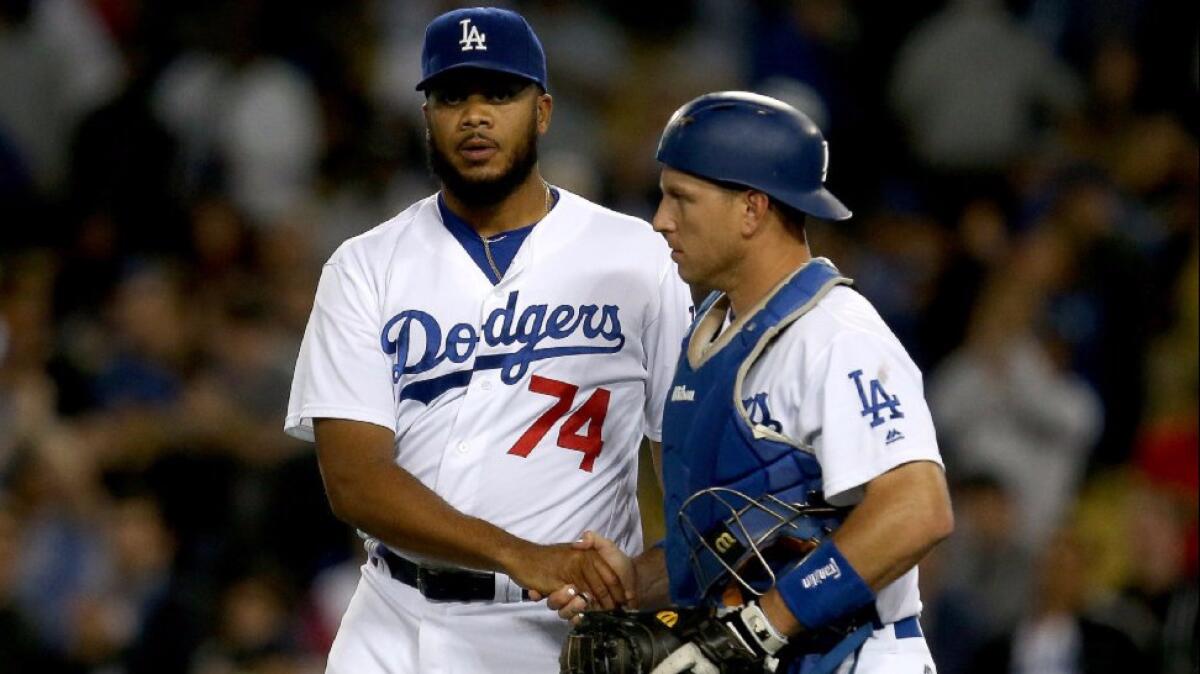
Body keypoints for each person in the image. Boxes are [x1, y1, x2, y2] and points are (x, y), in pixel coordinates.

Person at [284, 7, 691, 674]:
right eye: (452, 96)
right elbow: (354, 480)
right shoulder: (364, 266)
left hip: (562, 630)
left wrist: (650, 578)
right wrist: (521, 553)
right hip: (393, 620)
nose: (474, 115)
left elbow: (697, 465)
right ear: (427, 117)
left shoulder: (639, 260)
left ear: (544, 111)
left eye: (499, 94)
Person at [551, 92, 954, 674]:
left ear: (752, 210)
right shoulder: (709, 333)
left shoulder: (834, 334)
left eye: (681, 199)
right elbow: (743, 539)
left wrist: (763, 625)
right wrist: (635, 582)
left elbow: (918, 509)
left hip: (857, 657)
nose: (661, 219)